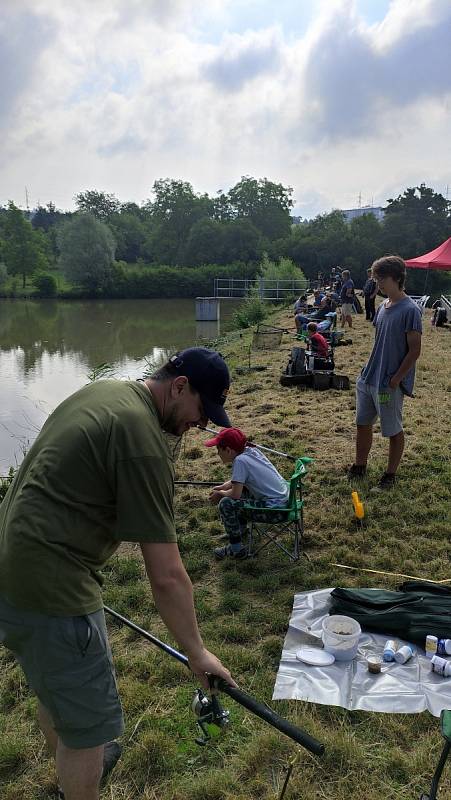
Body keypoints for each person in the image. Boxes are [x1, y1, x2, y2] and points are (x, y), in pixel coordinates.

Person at [0, 347, 236, 800]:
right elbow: (166, 574)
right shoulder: (142, 439)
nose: (202, 425)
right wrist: (197, 653)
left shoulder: (107, 391)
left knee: (60, 692)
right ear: (180, 386)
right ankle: (81, 765)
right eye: (202, 412)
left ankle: (73, 765)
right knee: (90, 726)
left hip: (11, 565)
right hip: (53, 584)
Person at [348, 256, 422, 491]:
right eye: (376, 279)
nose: (378, 284)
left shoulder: (410, 310)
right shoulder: (382, 307)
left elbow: (415, 350)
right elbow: (380, 343)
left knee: (392, 429)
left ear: (398, 278)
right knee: (362, 423)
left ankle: (390, 476)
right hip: (368, 378)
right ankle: (359, 466)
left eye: (382, 279)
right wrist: (366, 372)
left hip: (388, 384)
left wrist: (396, 379)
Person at [205, 428, 289, 560]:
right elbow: (241, 479)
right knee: (243, 492)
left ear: (228, 450)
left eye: (218, 450)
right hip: (285, 503)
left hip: (274, 511)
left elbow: (235, 495)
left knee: (226, 504)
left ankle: (236, 549)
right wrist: (224, 486)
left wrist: (220, 494)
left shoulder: (240, 461)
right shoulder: (251, 451)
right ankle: (240, 529)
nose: (217, 453)